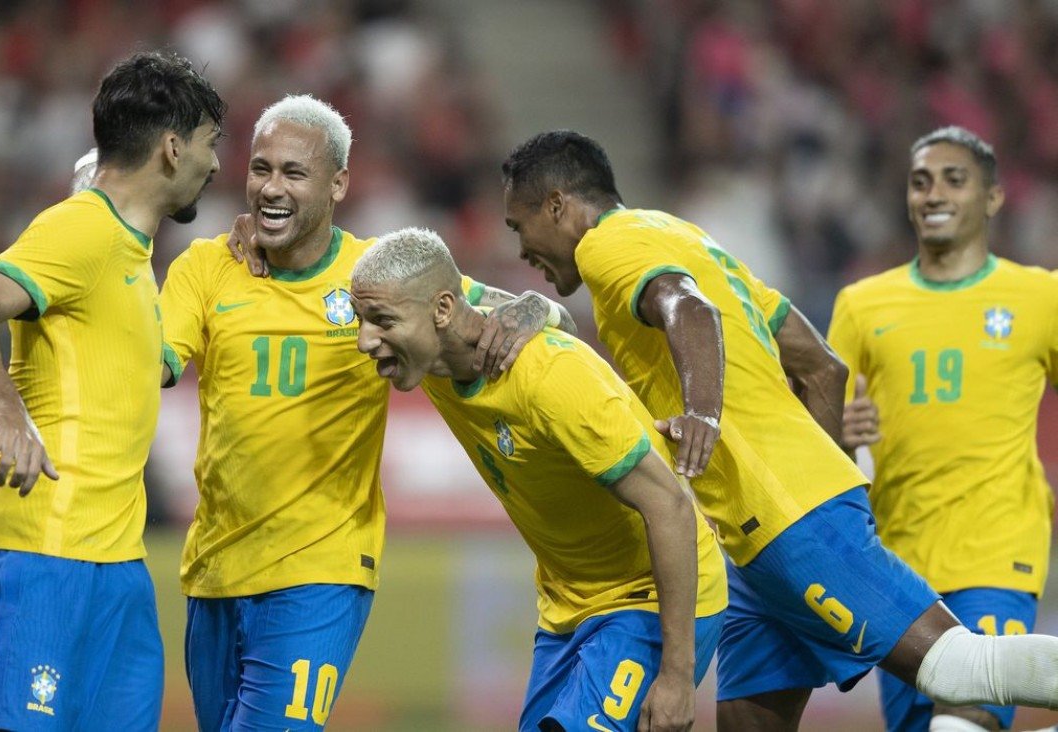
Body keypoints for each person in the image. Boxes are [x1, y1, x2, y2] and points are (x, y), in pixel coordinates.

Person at [499, 130, 1058, 731]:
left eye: (518, 225)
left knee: (958, 669)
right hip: (754, 540)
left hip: (790, 523)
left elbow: (689, 309)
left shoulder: (606, 246)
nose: (522, 247)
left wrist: (706, 417)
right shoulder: (684, 237)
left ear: (556, 205)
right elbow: (822, 367)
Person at [158, 94, 574, 732]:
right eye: (261, 168)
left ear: (339, 184)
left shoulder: (378, 278)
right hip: (213, 570)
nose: (271, 188)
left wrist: (518, 319)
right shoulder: (208, 268)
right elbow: (153, 364)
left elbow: (546, 311)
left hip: (320, 571)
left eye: (294, 173)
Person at [0, 50, 225, 731]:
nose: (215, 165)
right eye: (211, 145)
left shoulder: (132, 254)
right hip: (45, 555)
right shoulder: (83, 229)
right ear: (173, 147)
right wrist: (7, 413)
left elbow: (146, 367)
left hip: (118, 565)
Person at [350, 226, 727, 732]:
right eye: (361, 319)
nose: (363, 340)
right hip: (567, 606)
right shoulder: (431, 349)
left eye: (381, 321)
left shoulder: (550, 378)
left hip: (649, 599)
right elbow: (541, 311)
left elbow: (672, 508)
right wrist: (538, 304)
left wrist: (678, 679)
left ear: (442, 311)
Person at [828, 126, 1058, 732]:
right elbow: (816, 435)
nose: (934, 193)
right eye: (921, 181)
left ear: (993, 198)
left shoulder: (1039, 298)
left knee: (965, 720)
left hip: (997, 552)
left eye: (955, 180)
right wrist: (842, 431)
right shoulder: (861, 304)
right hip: (897, 569)